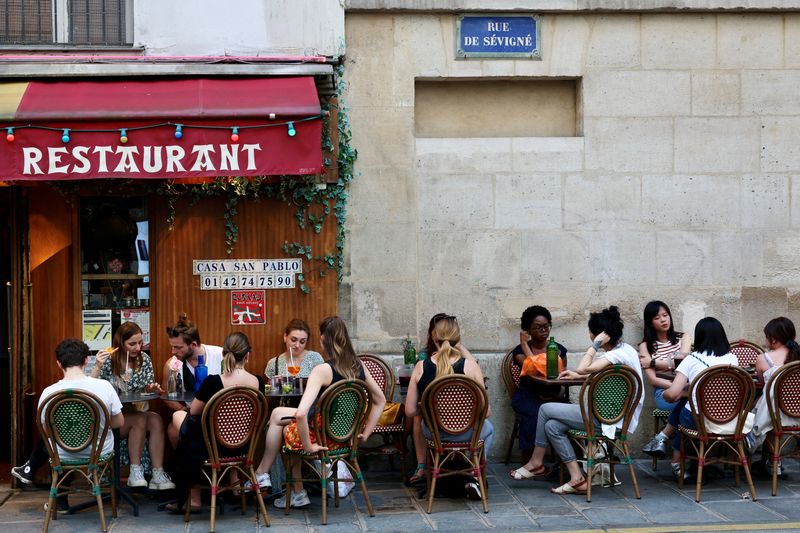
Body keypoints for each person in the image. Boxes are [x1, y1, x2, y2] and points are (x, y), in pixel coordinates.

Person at [253, 316, 385, 509]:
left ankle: (264, 475)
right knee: (279, 416)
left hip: (321, 437)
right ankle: (276, 481)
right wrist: (366, 432)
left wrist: (308, 446)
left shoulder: (322, 370)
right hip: (344, 435)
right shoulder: (359, 365)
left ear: (323, 339)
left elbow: (300, 414)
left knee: (282, 424)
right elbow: (380, 400)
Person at [510, 306, 644, 495]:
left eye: (591, 332)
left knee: (545, 409)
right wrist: (577, 375)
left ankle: (536, 462)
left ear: (598, 335)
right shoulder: (626, 351)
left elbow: (583, 368)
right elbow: (600, 377)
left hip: (606, 420)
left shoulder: (612, 355)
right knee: (552, 426)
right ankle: (577, 479)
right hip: (616, 418)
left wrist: (594, 346)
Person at [12, 339, 124, 512]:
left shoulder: (49, 393)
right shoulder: (104, 386)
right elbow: (119, 423)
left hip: (62, 454)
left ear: (58, 363)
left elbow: (46, 430)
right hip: (98, 452)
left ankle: (59, 501)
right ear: (87, 360)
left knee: (54, 443)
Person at [169, 332, 264, 513]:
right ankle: (234, 485)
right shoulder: (258, 382)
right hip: (245, 447)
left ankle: (194, 498)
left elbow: (195, 411)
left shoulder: (213, 382)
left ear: (223, 354)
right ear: (247, 355)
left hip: (214, 447)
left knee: (182, 422)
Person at [404, 315, 493, 501]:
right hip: (468, 435)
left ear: (434, 336)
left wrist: (430, 410)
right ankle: (475, 476)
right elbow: (488, 412)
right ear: (457, 338)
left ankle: (430, 471)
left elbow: (410, 411)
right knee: (489, 428)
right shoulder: (470, 367)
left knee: (421, 423)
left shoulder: (421, 366)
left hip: (434, 435)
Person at [90, 321, 174, 490]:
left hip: (135, 410)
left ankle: (157, 473)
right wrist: (97, 366)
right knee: (140, 420)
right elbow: (92, 387)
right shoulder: (108, 360)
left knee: (156, 420)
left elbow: (147, 387)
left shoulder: (144, 360)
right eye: (132, 344)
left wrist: (151, 388)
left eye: (140, 343)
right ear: (121, 343)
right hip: (113, 417)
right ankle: (135, 471)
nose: (137, 347)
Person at [661, 317, 739, 481]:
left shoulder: (692, 359)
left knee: (684, 411)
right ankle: (705, 464)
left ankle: (677, 464)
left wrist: (664, 394)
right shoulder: (733, 359)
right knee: (688, 405)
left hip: (697, 421)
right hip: (728, 419)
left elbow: (673, 394)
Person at [510, 305, 569, 463]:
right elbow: (534, 371)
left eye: (546, 326)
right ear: (527, 330)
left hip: (553, 394)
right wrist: (524, 344)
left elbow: (561, 377)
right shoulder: (520, 351)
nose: (544, 330)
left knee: (570, 414)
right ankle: (530, 461)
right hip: (527, 394)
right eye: (537, 327)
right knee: (534, 413)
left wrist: (557, 393)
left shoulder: (559, 350)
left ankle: (572, 462)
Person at [639, 301, 691, 459]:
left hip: (684, 388)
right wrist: (676, 387)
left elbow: (683, 362)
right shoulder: (645, 346)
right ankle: (682, 462)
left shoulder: (684, 337)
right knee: (690, 401)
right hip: (663, 392)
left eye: (665, 315)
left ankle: (661, 438)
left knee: (687, 402)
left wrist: (654, 362)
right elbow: (653, 380)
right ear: (650, 322)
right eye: (657, 317)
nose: (663, 320)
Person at [748, 317, 800, 475]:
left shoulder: (763, 359)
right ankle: (772, 462)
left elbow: (763, 386)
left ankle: (769, 460)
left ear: (773, 338)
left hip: (775, 415)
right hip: (797, 413)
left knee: (759, 404)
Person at [162, 313, 224, 446]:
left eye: (178, 347)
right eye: (172, 346)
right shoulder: (172, 365)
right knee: (172, 430)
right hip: (192, 415)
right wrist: (184, 409)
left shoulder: (221, 355)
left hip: (222, 414)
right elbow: (166, 396)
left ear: (193, 345)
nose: (173, 351)